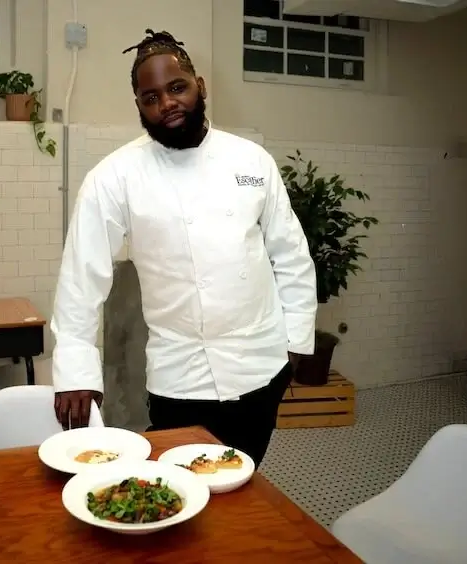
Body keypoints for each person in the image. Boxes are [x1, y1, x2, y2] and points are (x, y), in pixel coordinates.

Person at [51, 29, 317, 467]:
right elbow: (81, 277)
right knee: (184, 488)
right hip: (179, 374)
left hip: (261, 363)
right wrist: (76, 370)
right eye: (151, 96)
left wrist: (296, 339)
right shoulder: (114, 177)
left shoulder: (252, 161)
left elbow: (290, 254)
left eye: (177, 87)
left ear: (200, 86)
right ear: (139, 105)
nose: (167, 103)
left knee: (244, 478)